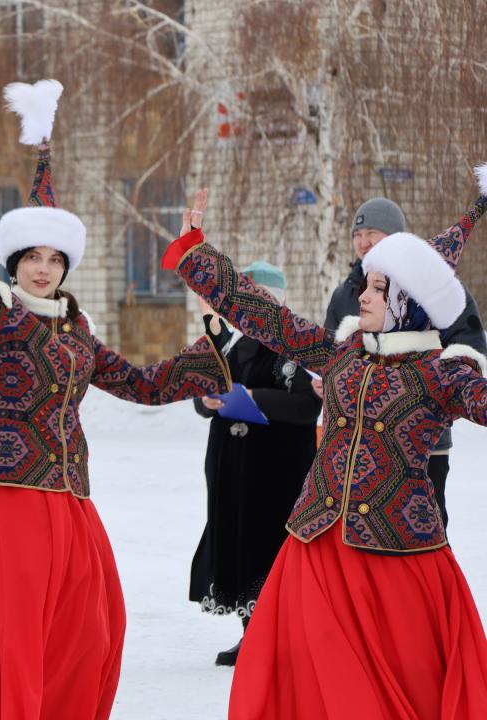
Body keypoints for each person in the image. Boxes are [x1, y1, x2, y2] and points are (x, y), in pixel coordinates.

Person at [0, 79, 231, 720]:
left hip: (71, 489)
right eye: (33, 257)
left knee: (95, 613)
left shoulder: (75, 328)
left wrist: (206, 350)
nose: (44, 269)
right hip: (14, 488)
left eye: (55, 258)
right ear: (16, 259)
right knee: (17, 618)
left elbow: (139, 383)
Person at [163, 178, 487, 719]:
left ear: (411, 303)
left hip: (398, 555)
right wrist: (199, 254)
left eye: (380, 289)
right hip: (315, 543)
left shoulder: (441, 374)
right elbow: (262, 314)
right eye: (368, 283)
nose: (362, 295)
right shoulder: (340, 355)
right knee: (304, 678)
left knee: (403, 683)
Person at [322, 197, 487, 526]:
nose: (363, 241)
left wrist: (446, 388)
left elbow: (467, 343)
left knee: (423, 524)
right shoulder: (345, 293)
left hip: (419, 438)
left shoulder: (432, 288)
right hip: (356, 441)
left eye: (373, 232)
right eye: (358, 233)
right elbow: (331, 352)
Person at [189, 262, 320, 667]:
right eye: (250, 300)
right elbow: (202, 396)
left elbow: (307, 404)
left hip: (278, 468)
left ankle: (279, 637)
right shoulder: (229, 345)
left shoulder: (298, 345)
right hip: (232, 466)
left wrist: (250, 399)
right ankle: (252, 632)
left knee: (272, 547)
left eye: (265, 299)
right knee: (239, 543)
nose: (257, 308)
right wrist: (209, 399)